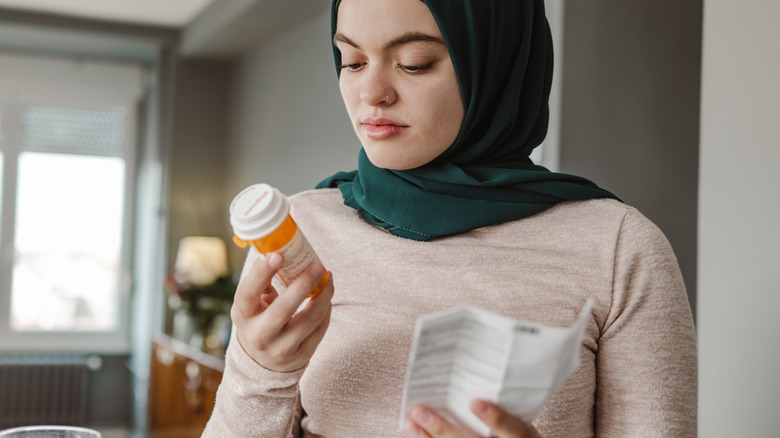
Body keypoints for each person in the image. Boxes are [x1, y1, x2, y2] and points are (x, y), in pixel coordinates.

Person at [203, 0, 697, 436]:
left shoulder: (618, 249)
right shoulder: (299, 232)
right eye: (351, 61)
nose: (370, 92)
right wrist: (262, 371)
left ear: (495, 63)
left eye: (414, 64)